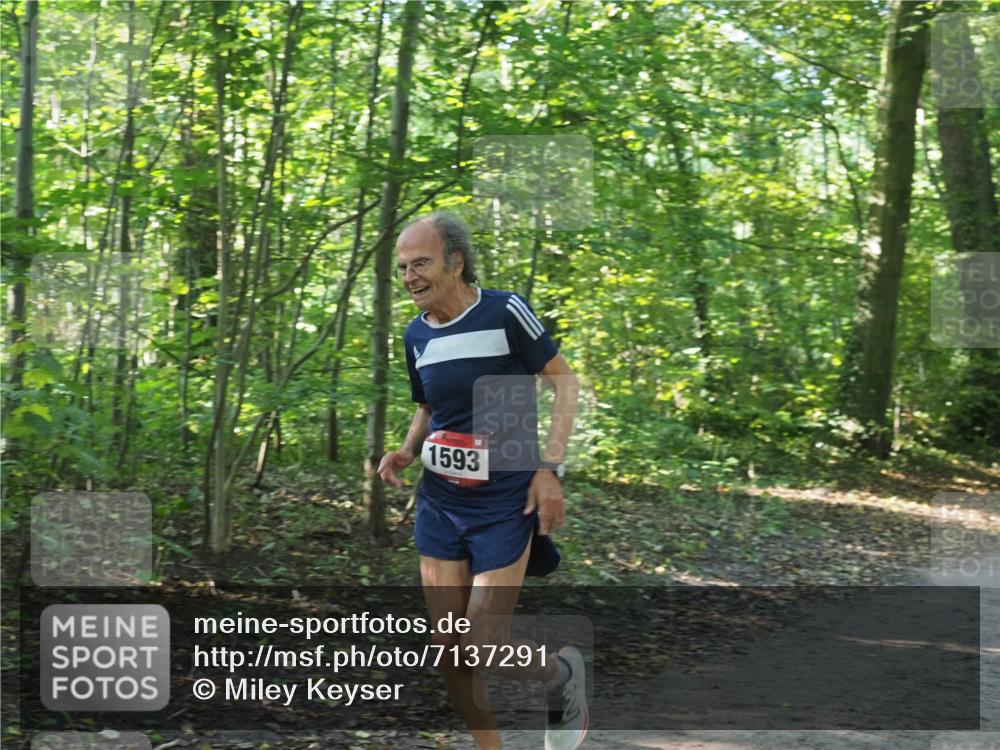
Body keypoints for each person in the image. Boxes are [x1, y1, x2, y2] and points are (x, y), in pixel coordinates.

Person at [377, 213, 587, 750]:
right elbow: (429, 406)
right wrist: (407, 448)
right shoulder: (416, 334)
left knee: (483, 641)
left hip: (504, 499)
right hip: (441, 499)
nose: (409, 276)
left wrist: (550, 467)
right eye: (402, 267)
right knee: (451, 649)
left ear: (456, 261)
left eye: (420, 263)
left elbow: (564, 383)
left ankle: (561, 680)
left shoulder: (504, 310)